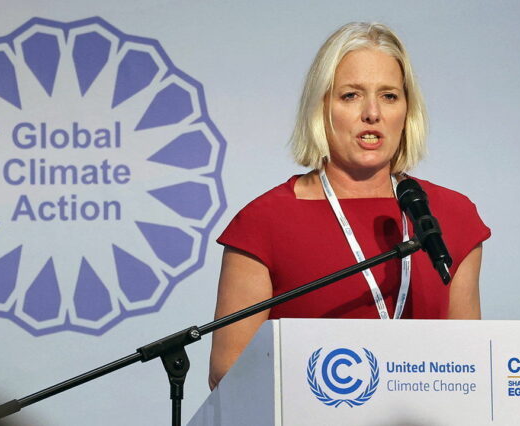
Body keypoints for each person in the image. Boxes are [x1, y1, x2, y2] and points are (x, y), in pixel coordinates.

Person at [208, 22, 491, 389]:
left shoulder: (451, 216)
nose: (372, 113)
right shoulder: (263, 222)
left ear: (407, 111)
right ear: (320, 107)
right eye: (351, 95)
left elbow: (469, 367)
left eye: (389, 96)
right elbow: (228, 373)